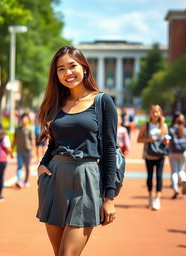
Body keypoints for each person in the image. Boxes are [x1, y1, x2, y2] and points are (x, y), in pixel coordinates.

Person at [36, 46, 117, 256]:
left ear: (84, 67)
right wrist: (42, 164)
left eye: (72, 66)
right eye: (61, 69)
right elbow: (53, 142)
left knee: (67, 254)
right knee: (58, 253)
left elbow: (109, 148)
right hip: (55, 178)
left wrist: (109, 198)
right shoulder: (56, 103)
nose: (67, 73)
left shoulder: (102, 101)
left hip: (86, 178)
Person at [137, 105, 169, 210]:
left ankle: (157, 199)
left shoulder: (164, 126)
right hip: (149, 154)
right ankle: (150, 196)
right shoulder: (146, 126)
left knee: (159, 176)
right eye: (153, 112)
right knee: (150, 176)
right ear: (150, 113)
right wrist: (149, 139)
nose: (155, 114)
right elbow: (139, 139)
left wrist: (166, 141)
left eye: (157, 112)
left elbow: (167, 139)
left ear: (160, 113)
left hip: (160, 154)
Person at [12, 113, 35, 188]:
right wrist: (11, 149)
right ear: (21, 119)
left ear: (28, 120)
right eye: (23, 119)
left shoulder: (30, 129)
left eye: (26, 119)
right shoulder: (17, 129)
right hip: (19, 151)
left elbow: (33, 140)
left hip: (27, 151)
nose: (24, 120)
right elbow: (14, 139)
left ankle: (26, 181)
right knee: (19, 166)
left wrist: (33, 151)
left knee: (27, 167)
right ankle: (19, 181)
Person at [168, 111, 186, 199]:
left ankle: (175, 188)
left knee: (174, 171)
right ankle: (183, 179)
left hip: (172, 152)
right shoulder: (184, 129)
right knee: (181, 170)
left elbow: (167, 139)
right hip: (183, 152)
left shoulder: (171, 128)